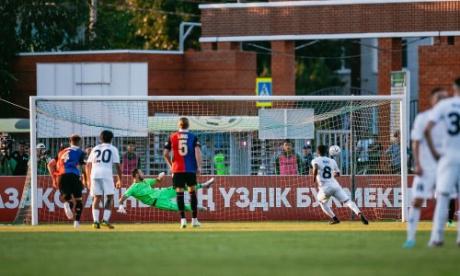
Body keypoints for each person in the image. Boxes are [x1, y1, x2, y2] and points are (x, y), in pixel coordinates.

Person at [403, 87, 449, 248]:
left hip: (445, 168)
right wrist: (417, 163)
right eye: (440, 97)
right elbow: (415, 142)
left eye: (445, 98)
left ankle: (436, 238)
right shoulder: (423, 118)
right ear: (432, 100)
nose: (443, 100)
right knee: (417, 201)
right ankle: (410, 238)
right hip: (426, 169)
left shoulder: (449, 120)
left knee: (444, 200)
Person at [425, 78, 460, 247]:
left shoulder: (444, 105)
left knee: (444, 196)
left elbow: (427, 130)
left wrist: (434, 153)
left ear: (454, 88)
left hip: (448, 156)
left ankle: (437, 238)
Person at [312, 145, 369, 225]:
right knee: (348, 201)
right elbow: (338, 174)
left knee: (321, 202)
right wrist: (331, 176)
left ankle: (335, 218)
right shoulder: (332, 161)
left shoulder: (315, 160)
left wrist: (314, 177)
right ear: (326, 152)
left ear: (318, 152)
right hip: (335, 186)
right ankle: (359, 213)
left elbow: (315, 167)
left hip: (325, 188)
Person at [163, 117, 202, 229]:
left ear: (178, 125)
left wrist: (171, 166)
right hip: (190, 169)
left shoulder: (172, 137)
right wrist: (199, 167)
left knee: (179, 193)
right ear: (188, 125)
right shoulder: (193, 137)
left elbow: (165, 153)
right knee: (192, 193)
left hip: (177, 169)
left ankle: (183, 220)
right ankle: (194, 220)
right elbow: (197, 152)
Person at [118, 169, 214, 213]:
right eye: (141, 172)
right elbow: (122, 198)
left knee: (179, 186)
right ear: (136, 175)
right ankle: (196, 208)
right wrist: (121, 205)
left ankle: (204, 185)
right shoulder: (132, 188)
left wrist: (161, 175)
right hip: (158, 202)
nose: (143, 173)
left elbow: (158, 180)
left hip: (162, 192)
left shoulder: (146, 181)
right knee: (179, 207)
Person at [86, 130, 123, 229]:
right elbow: (118, 166)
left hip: (94, 174)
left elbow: (88, 165)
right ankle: (105, 220)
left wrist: (88, 179)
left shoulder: (95, 148)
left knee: (96, 198)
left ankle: (95, 222)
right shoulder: (113, 149)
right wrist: (120, 179)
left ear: (100, 138)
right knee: (110, 197)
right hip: (106, 174)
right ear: (111, 139)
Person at [49, 135, 86, 228]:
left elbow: (50, 164)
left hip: (61, 177)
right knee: (78, 200)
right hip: (73, 175)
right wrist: (85, 179)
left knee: (69, 200)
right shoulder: (81, 152)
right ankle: (76, 222)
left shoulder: (61, 152)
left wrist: (54, 179)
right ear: (80, 142)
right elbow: (84, 166)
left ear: (70, 141)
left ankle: (66, 204)